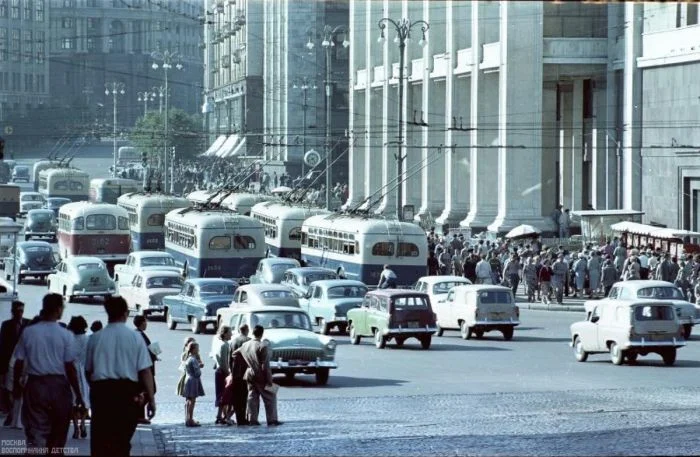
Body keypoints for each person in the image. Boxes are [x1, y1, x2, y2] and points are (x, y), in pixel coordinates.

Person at [12, 294, 84, 454]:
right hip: (59, 387)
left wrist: (17, 385)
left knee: (35, 429)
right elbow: (70, 368)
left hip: (35, 385)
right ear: (58, 309)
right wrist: (78, 393)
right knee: (59, 429)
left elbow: (19, 362)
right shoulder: (65, 335)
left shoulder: (29, 332)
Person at [86, 296, 155, 457]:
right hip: (126, 393)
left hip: (102, 392)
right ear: (125, 313)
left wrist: (95, 389)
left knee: (101, 441)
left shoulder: (95, 338)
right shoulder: (135, 338)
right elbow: (145, 371)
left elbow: (88, 370)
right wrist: (151, 399)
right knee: (122, 441)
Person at [237, 325, 281, 426]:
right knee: (270, 396)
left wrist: (246, 362)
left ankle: (252, 419)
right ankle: (272, 419)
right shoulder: (262, 346)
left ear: (253, 333)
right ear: (262, 333)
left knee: (252, 397)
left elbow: (235, 354)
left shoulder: (245, 345)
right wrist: (269, 379)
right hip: (260, 374)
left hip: (249, 373)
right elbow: (265, 365)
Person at [0, 300, 29, 422]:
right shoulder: (6, 325)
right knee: (9, 388)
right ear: (13, 311)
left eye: (22, 310)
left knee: (22, 388)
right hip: (10, 361)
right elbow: (2, 345)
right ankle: (12, 411)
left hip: (23, 362)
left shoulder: (28, 324)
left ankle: (17, 413)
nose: (20, 313)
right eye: (18, 310)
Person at [67, 316, 90, 440]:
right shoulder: (88, 340)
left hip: (72, 373)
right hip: (84, 373)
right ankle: (83, 424)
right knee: (85, 401)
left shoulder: (69, 340)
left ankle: (76, 426)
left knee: (73, 401)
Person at [224, 324, 251, 426]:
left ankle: (239, 418)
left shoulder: (233, 342)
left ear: (239, 330)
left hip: (235, 372)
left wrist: (231, 371)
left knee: (236, 397)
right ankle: (243, 418)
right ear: (247, 330)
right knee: (244, 396)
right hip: (245, 371)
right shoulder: (249, 341)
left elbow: (229, 359)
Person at [133, 315, 157, 425]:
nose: (146, 324)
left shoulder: (140, 334)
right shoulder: (138, 335)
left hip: (147, 365)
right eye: (145, 322)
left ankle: (140, 414)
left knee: (147, 390)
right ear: (142, 323)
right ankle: (139, 415)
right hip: (143, 368)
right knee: (148, 389)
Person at [211, 325, 233, 426]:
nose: (231, 334)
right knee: (224, 394)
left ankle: (220, 415)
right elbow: (224, 362)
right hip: (222, 372)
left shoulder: (221, 343)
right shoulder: (224, 345)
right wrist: (228, 373)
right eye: (230, 332)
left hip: (219, 371)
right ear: (225, 333)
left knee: (222, 394)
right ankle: (222, 416)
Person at [181, 341, 205, 427]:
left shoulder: (188, 358)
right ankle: (190, 419)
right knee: (192, 401)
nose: (198, 350)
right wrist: (199, 366)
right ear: (193, 349)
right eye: (197, 348)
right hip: (193, 380)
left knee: (188, 400)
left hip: (188, 379)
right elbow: (197, 373)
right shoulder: (193, 359)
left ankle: (187, 419)